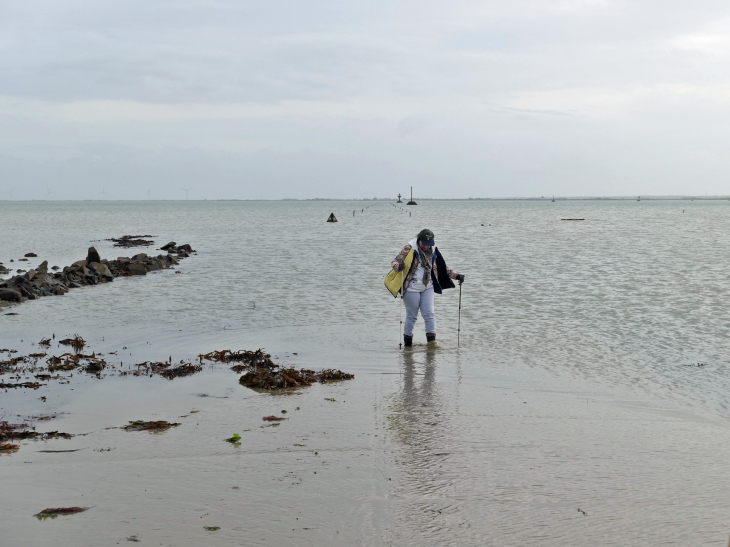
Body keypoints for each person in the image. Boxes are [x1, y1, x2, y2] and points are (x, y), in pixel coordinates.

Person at [386, 229, 464, 347]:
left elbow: (443, 267)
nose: (427, 247)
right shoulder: (409, 248)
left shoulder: (433, 250)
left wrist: (456, 276)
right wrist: (398, 266)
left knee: (429, 314)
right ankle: (408, 347)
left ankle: (432, 346)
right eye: (424, 244)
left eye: (429, 244)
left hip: (428, 286)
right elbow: (394, 262)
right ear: (419, 240)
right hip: (411, 287)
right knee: (412, 316)